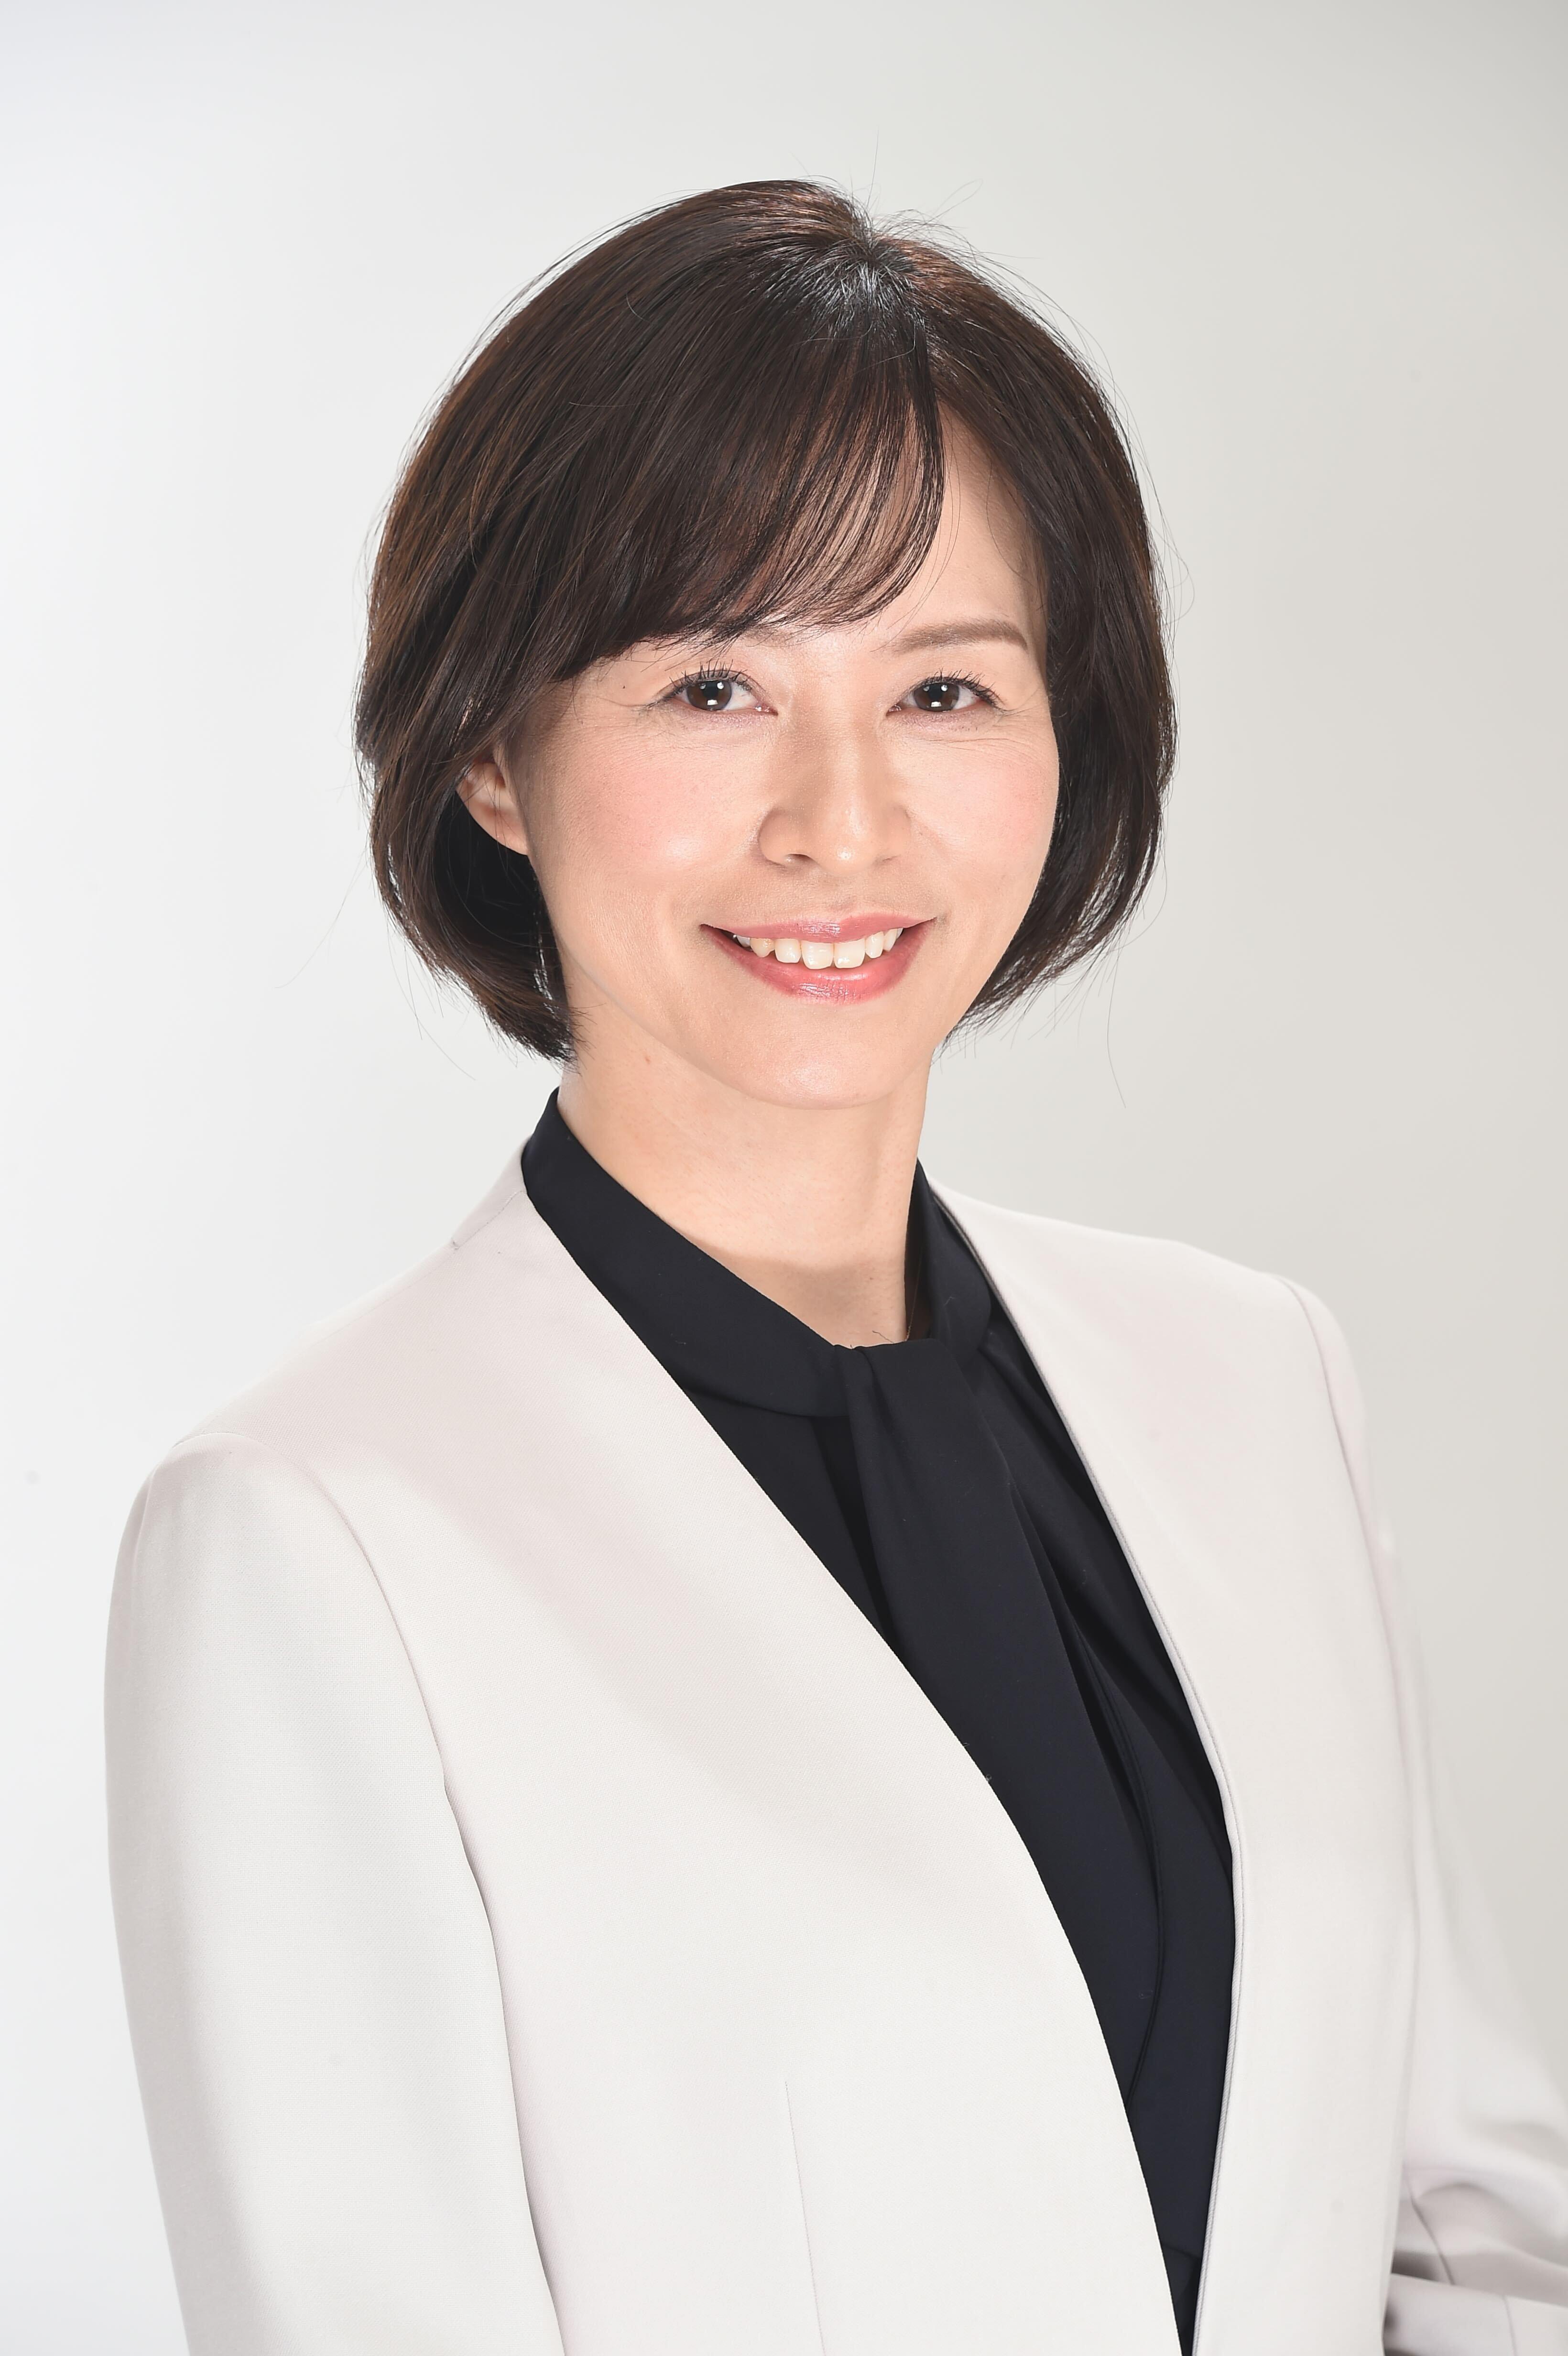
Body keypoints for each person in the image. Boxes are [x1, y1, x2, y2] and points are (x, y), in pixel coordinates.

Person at [106, 180, 1568, 2356]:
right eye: (713, 683)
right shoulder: (310, 1534)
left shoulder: (1253, 1380)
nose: (842, 822)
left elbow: (1469, 2226)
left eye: (946, 688)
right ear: (493, 752)